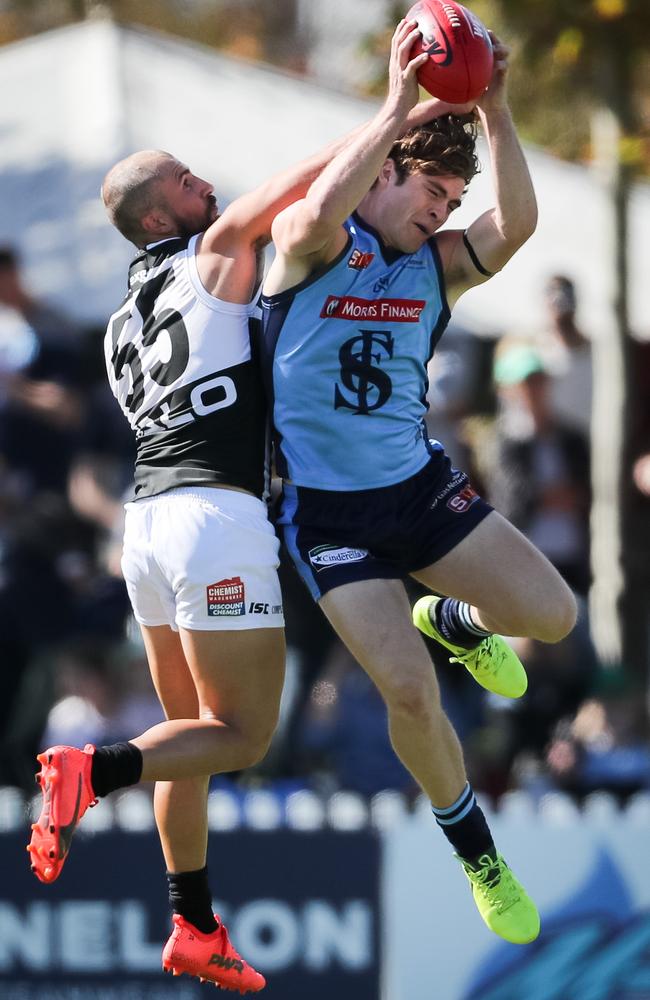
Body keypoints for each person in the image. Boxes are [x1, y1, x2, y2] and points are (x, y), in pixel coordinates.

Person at [27, 21, 452, 993]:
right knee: (244, 734)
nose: (202, 185)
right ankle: (87, 771)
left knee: (193, 740)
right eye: (182, 179)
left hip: (146, 530)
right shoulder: (212, 253)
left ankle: (189, 921)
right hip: (217, 518)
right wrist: (399, 115)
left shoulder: (115, 326)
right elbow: (295, 193)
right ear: (152, 216)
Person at [261, 31, 578, 946]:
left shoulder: (433, 267)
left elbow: (514, 228)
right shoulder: (313, 244)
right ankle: (479, 854)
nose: (438, 213)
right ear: (387, 173)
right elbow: (319, 204)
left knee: (554, 619)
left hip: (418, 489)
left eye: (451, 200)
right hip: (326, 514)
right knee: (408, 692)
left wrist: (497, 108)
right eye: (429, 193)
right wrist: (399, 103)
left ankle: (453, 621)